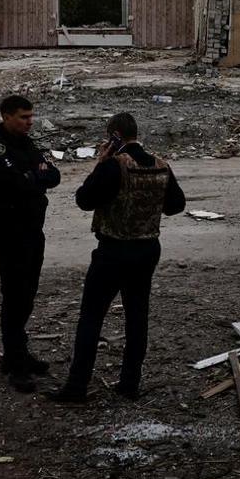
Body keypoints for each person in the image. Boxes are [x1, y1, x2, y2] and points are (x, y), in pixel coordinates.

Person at [47, 112, 185, 403]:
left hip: (113, 250)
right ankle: (129, 383)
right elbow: (176, 206)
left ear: (114, 136)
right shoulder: (161, 165)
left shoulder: (113, 166)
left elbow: (84, 200)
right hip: (147, 249)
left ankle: (77, 386)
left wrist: (99, 163)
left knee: (92, 317)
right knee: (137, 317)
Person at [0, 94, 60, 393]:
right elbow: (16, 183)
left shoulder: (27, 145)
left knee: (28, 293)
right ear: (6, 116)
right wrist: (32, 178)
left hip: (32, 230)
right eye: (24, 117)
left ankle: (19, 352)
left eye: (31, 116)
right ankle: (15, 362)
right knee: (14, 295)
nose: (30, 121)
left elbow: (54, 175)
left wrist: (32, 177)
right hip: (9, 233)